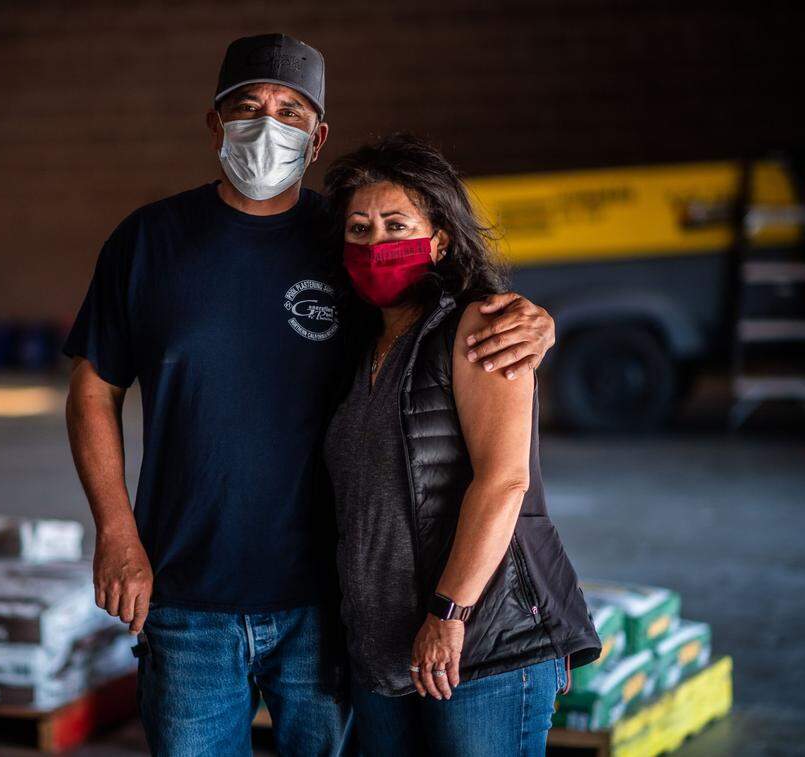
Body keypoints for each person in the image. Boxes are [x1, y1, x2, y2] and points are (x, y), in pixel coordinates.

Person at [63, 34, 559, 755]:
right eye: (248, 106)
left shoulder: (349, 243)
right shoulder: (148, 243)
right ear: (214, 122)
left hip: (328, 602)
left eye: (290, 110)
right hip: (186, 592)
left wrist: (536, 321)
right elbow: (93, 386)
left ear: (317, 135)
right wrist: (115, 530)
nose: (268, 125)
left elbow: (444, 315)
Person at [322, 134, 602, 756]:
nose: (377, 244)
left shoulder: (481, 325)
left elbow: (504, 481)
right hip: (384, 653)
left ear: (440, 237)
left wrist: (448, 616)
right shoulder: (356, 349)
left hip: (479, 647)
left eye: (397, 225)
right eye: (359, 229)